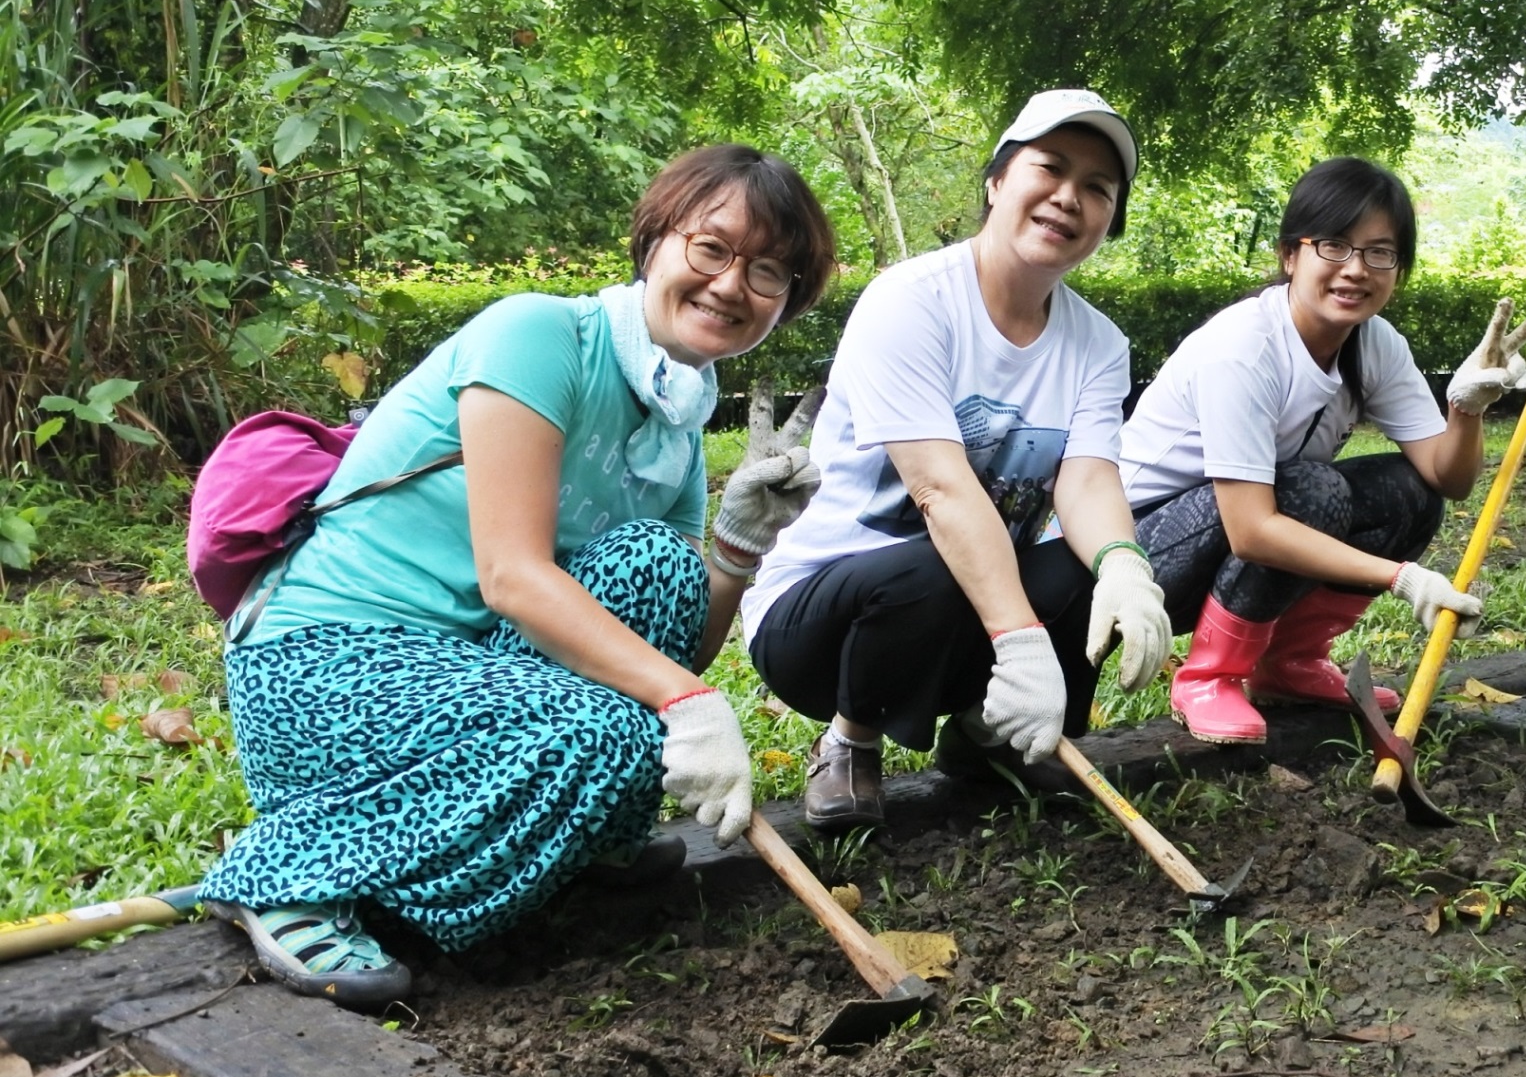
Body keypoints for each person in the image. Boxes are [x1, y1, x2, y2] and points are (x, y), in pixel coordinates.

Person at [201, 145, 839, 1006]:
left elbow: (672, 644)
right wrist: (688, 704)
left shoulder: (676, 419)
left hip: (466, 674)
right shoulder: (540, 335)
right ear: (654, 239)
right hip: (327, 666)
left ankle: (589, 833)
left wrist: (736, 544)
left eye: (768, 272)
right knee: (605, 736)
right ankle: (285, 874)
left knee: (658, 565)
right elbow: (511, 575)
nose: (731, 285)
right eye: (711, 247)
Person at [746, 90, 1174, 833]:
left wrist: (1124, 567)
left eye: (1098, 188)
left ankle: (988, 739)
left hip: (956, 612)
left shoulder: (1099, 343)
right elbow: (940, 490)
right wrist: (1020, 640)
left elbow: (1087, 478)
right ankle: (848, 742)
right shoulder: (910, 301)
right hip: (823, 623)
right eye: (1050, 168)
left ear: (1110, 219)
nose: (1068, 197)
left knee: (1082, 564)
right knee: (938, 555)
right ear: (997, 181)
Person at [1117, 156, 1526, 744]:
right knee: (1311, 490)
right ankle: (1209, 677)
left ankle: (1289, 662)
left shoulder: (1375, 344)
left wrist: (1466, 408)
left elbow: (1447, 478)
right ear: (1291, 255)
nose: (1356, 269)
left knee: (1409, 494)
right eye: (1334, 246)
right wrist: (1403, 579)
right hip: (1131, 565)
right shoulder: (1244, 346)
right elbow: (1252, 532)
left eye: (1379, 252)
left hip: (1232, 538)